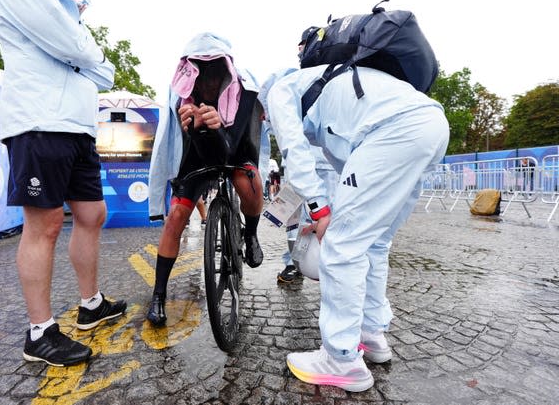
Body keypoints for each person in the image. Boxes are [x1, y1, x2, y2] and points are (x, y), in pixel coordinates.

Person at [259, 62, 449, 391]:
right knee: (373, 242)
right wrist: (329, 209)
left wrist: (319, 211)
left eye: (265, 119)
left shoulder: (281, 90)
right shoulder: (337, 88)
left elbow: (293, 151)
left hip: (393, 131)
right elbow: (350, 165)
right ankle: (371, 333)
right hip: (431, 124)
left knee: (342, 246)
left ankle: (342, 358)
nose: (267, 124)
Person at [0, 0, 127, 367]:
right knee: (45, 223)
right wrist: (82, 54)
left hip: (77, 126)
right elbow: (74, 47)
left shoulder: (59, 1)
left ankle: (91, 304)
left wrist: (82, 55)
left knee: (91, 213)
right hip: (39, 121)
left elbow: (100, 69)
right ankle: (40, 333)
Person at [147, 32, 265, 326]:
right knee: (176, 216)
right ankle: (158, 294)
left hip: (236, 148)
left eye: (216, 73)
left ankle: (250, 233)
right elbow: (168, 146)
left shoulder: (246, 91)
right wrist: (196, 130)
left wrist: (216, 129)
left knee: (248, 180)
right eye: (203, 74)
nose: (210, 82)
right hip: (195, 156)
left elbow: (233, 146)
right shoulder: (179, 96)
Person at [277, 147, 338, 283]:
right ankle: (294, 261)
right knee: (294, 216)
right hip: (294, 163)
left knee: (330, 216)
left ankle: (330, 261)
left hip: (328, 162)